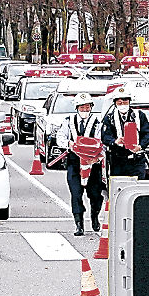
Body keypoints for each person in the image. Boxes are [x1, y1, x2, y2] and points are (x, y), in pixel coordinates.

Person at [55, 93, 105, 236]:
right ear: (77, 108)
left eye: (87, 107)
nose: (84, 110)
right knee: (76, 194)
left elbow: (103, 144)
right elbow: (60, 137)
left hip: (93, 164)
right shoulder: (68, 121)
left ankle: (95, 217)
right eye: (82, 107)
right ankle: (79, 224)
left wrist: (97, 158)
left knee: (95, 195)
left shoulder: (98, 122)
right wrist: (69, 144)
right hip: (74, 163)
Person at [101, 86, 149, 180]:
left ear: (129, 101)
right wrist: (115, 141)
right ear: (115, 103)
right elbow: (104, 136)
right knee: (118, 188)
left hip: (136, 160)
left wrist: (140, 146)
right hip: (118, 160)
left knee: (137, 187)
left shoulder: (139, 115)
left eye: (125, 101)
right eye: (119, 102)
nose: (122, 104)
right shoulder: (109, 118)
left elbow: (148, 134)